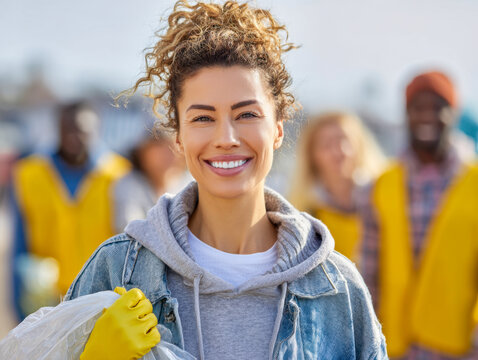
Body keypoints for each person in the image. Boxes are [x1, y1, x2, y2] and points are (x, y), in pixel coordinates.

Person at [65, 2, 387, 359]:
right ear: (178, 137)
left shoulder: (338, 288)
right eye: (203, 119)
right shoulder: (117, 271)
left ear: (278, 130)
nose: (226, 137)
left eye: (246, 114)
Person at [360, 70, 478, 359]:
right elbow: (369, 270)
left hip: (460, 348)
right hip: (394, 347)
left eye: (438, 108)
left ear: (454, 113)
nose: (427, 116)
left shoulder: (474, 182)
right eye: (418, 108)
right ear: (406, 114)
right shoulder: (382, 183)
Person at [11, 101, 130, 320]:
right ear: (58, 129)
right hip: (44, 300)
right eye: (67, 129)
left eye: (82, 130)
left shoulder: (118, 174)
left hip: (101, 298)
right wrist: (18, 304)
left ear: (97, 130)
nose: (74, 136)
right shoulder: (29, 174)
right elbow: (19, 243)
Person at [288, 112, 386, 261]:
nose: (338, 151)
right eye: (327, 145)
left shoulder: (382, 198)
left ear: (359, 146)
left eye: (344, 140)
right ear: (312, 156)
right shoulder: (304, 215)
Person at [113, 128, 188, 233]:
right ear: (142, 152)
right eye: (159, 145)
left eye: (172, 145)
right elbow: (131, 231)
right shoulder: (128, 184)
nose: (167, 153)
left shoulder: (191, 184)